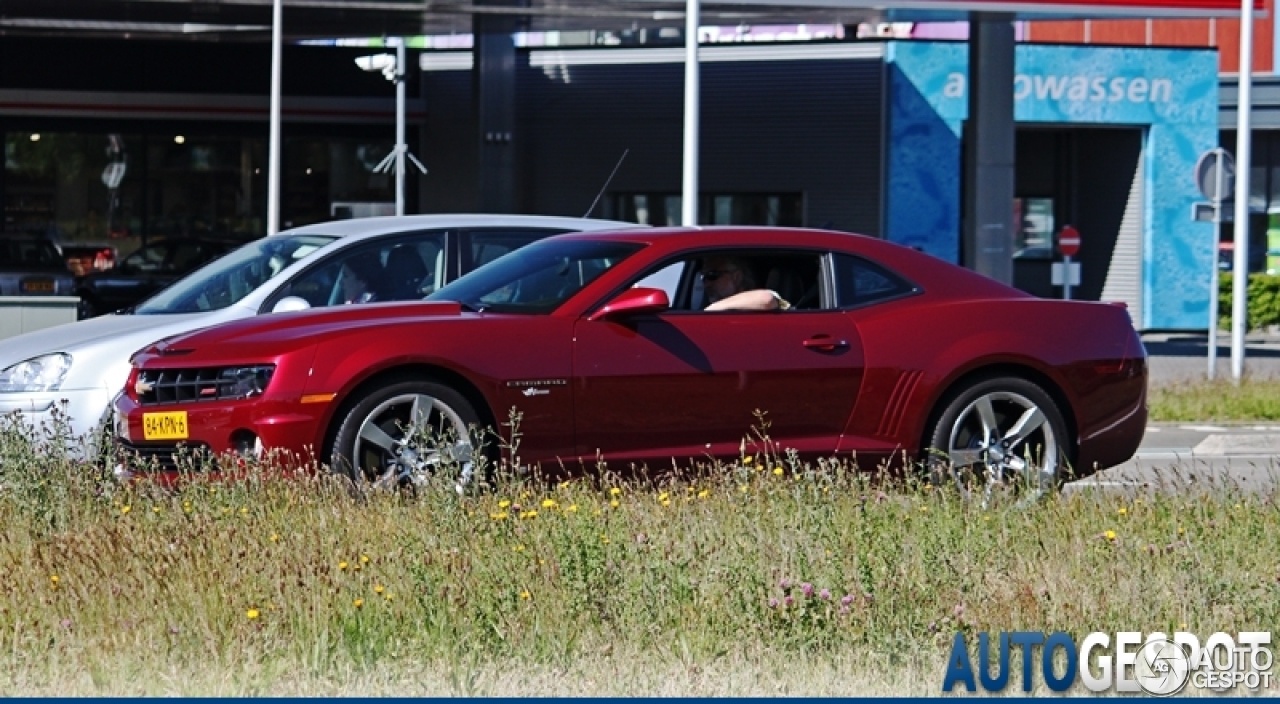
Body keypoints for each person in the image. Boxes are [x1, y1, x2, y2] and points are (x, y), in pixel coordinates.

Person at [700, 256, 790, 311]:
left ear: (736, 277)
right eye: (703, 277)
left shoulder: (756, 303)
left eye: (712, 275)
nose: (706, 284)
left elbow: (767, 299)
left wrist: (712, 309)